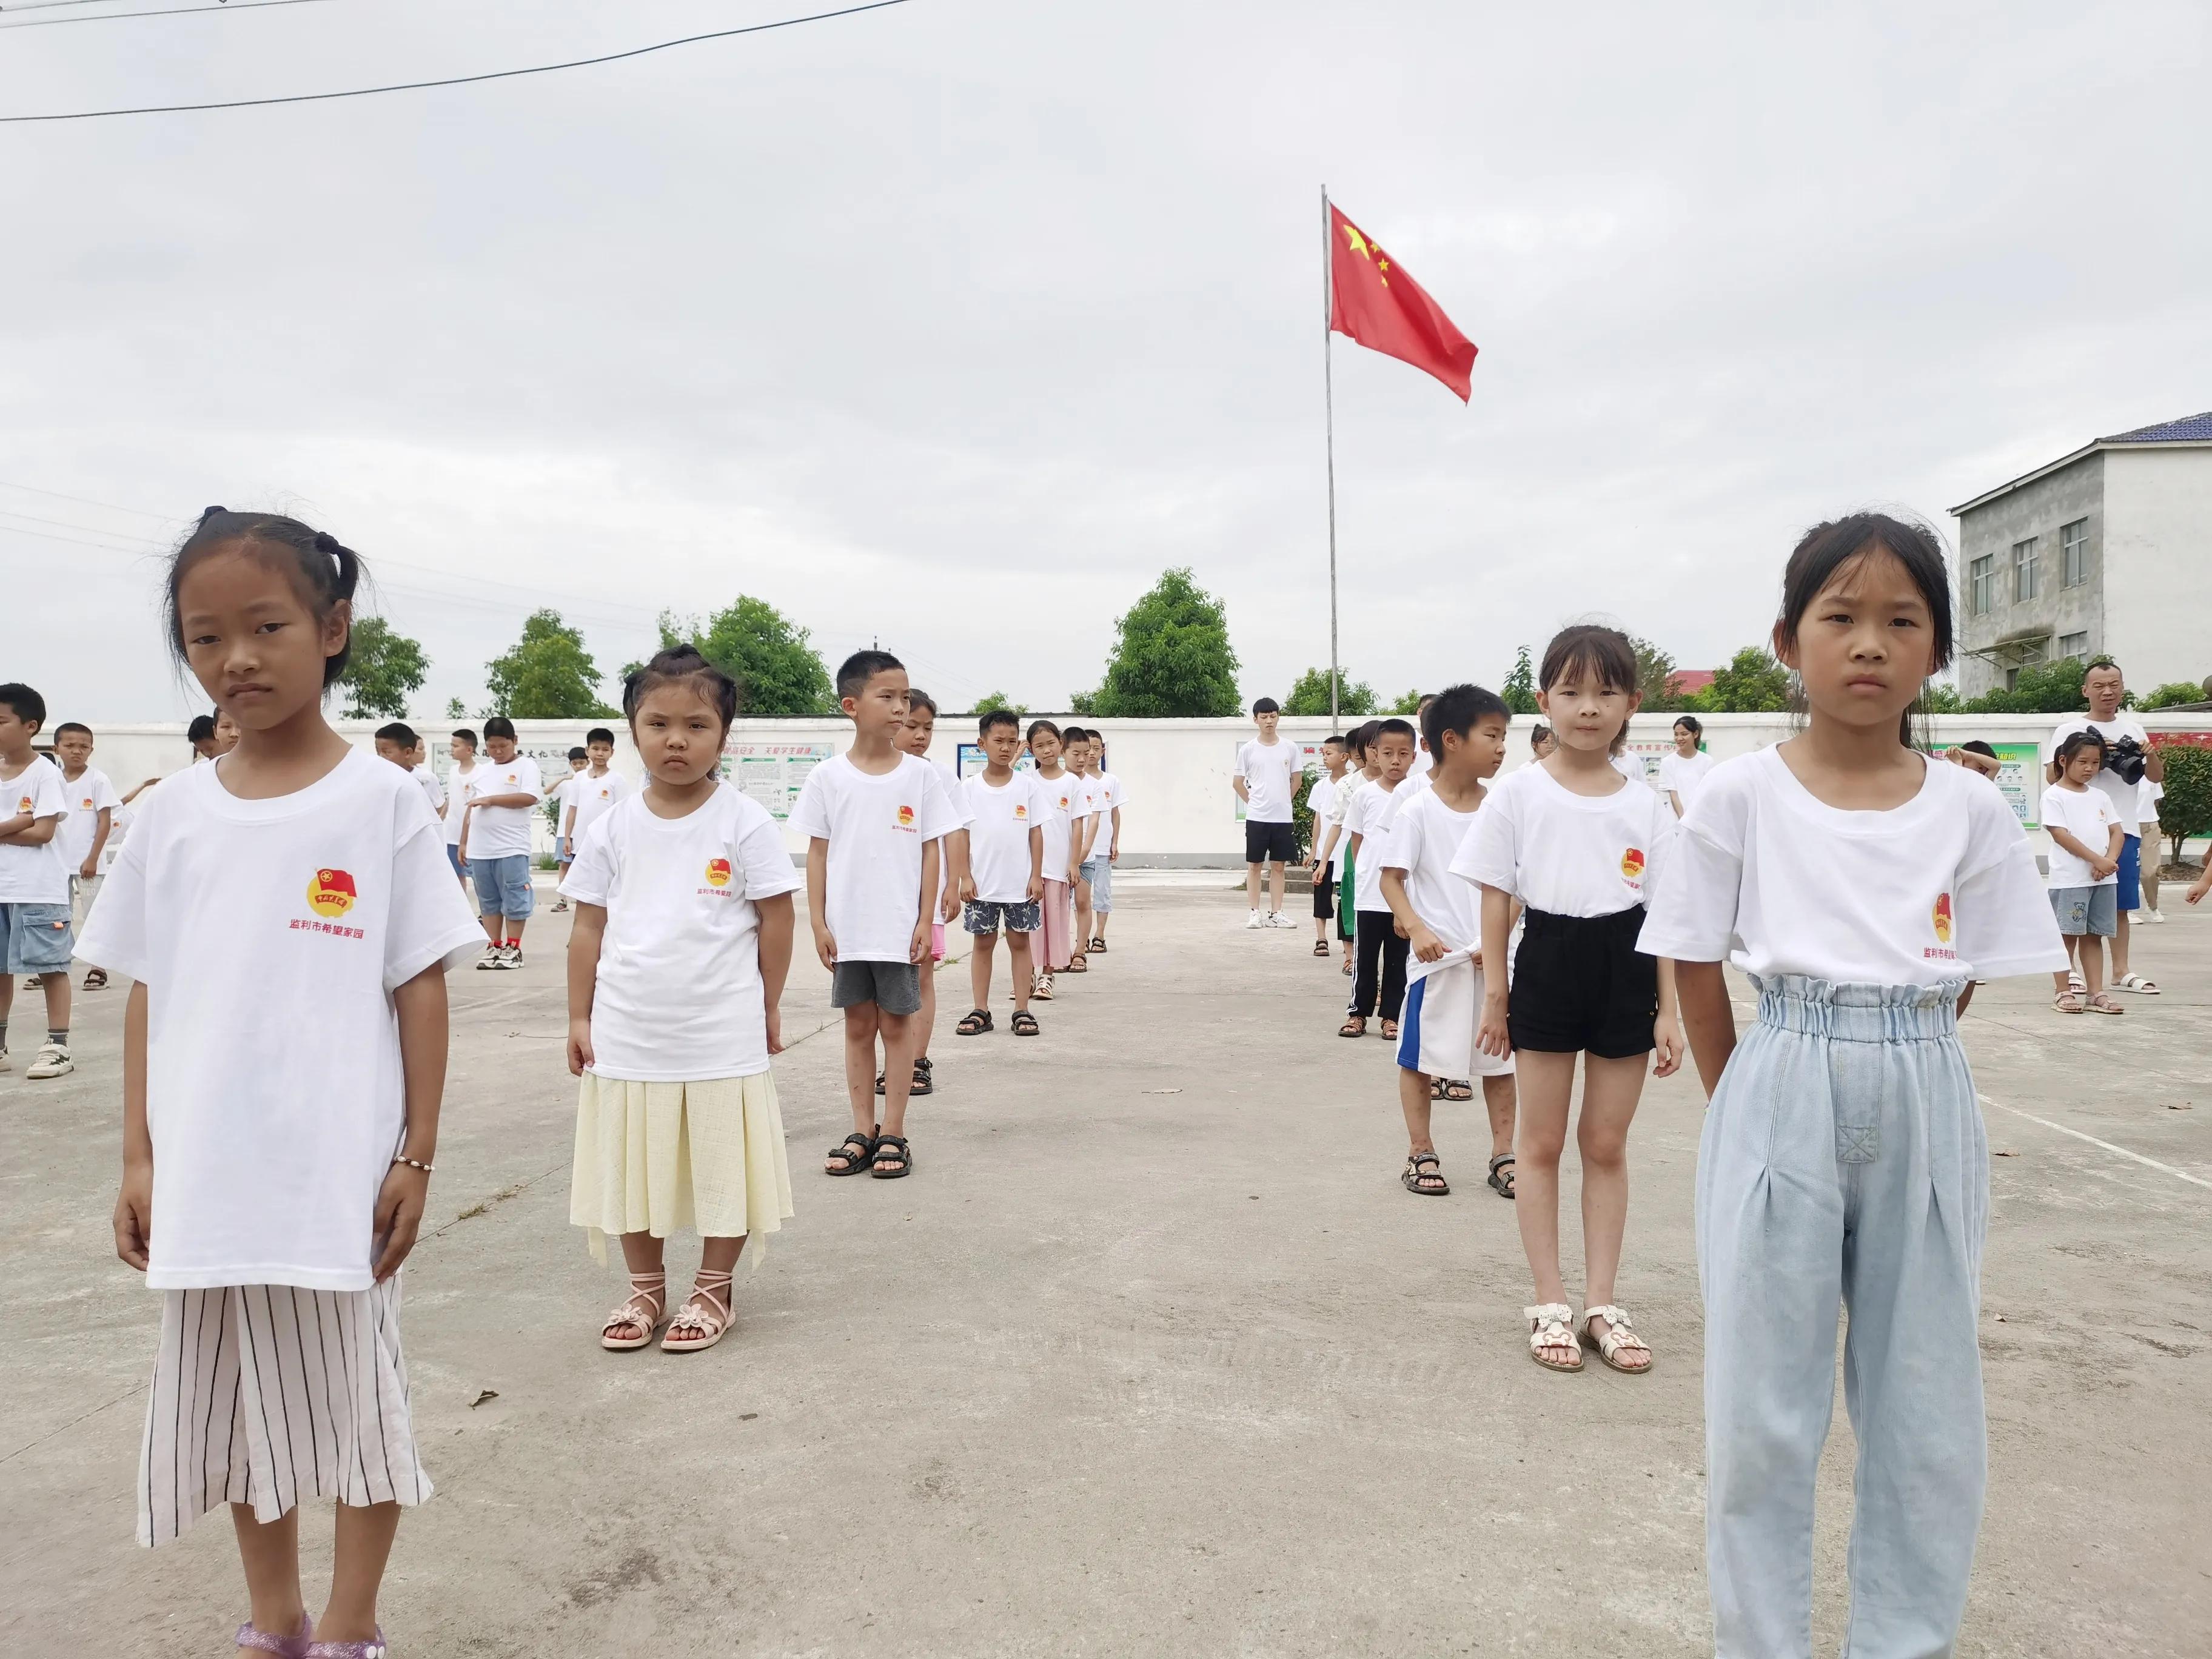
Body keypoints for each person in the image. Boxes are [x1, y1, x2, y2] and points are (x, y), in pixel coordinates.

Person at [1638, 512, 2065, 1658]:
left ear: (1933, 652)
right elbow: (1692, 949)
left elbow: (1968, 964)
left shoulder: (1969, 806)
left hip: (1924, 1078)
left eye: (1899, 621)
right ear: (1788, 640)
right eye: (1840, 618)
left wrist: (1902, 1032)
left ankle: (1901, 1639)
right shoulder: (1736, 797)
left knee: (1925, 1408)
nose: (1867, 644)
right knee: (1759, 1412)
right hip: (1780, 1067)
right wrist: (1747, 1091)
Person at [84, 506, 482, 1657]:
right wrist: (139, 1155)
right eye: (205, 637)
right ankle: (277, 1623)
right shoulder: (171, 816)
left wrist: (415, 1152)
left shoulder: (381, 801)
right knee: (240, 1411)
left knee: (357, 1408)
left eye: (266, 626)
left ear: (334, 627)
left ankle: (352, 1628)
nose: (237, 658)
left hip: (335, 1172)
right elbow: (149, 990)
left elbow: (419, 983)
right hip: (207, 1172)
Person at [1457, 623, 1683, 1378]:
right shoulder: (1518, 794)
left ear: (1632, 704)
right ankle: (1550, 1300)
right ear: (1544, 699)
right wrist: (1496, 994)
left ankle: (1603, 1304)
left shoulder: (1648, 806)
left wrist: (1669, 1010)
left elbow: (1667, 916)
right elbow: (1496, 900)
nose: (1589, 707)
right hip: (1547, 961)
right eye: (1572, 691)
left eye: (1606, 692)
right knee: (1541, 1145)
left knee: (1607, 1145)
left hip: (1627, 964)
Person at [562, 646, 799, 1355]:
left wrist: (768, 1005)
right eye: (658, 722)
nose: (676, 739)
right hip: (627, 1027)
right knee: (632, 1160)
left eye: (697, 725)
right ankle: (644, 1286)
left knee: (724, 1158)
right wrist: (578, 1015)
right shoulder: (611, 827)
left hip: (721, 1024)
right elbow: (586, 928)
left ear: (724, 735)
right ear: (632, 729)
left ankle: (713, 1287)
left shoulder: (746, 821)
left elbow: (777, 918)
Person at [791, 650, 957, 1182]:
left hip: (897, 930)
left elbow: (932, 850)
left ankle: (895, 1131)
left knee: (897, 1027)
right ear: (852, 705)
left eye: (905, 697)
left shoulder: (921, 777)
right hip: (849, 931)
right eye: (887, 696)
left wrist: (922, 919)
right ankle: (862, 1129)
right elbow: (817, 853)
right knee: (858, 1026)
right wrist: (817, 922)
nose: (899, 707)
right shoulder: (827, 778)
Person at [1380, 686, 1518, 1199]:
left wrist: (1496, 939)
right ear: (1452, 740)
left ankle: (1505, 1153)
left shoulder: (1503, 810)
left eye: (1505, 737)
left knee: (1500, 1063)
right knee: (1420, 1060)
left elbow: (1517, 886)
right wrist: (1417, 927)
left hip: (1494, 964)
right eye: (1492, 736)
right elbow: (1391, 878)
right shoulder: (1418, 809)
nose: (1502, 747)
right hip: (1437, 967)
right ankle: (1421, 1150)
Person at [2042, 659, 2164, 991]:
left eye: (2114, 685)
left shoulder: (2134, 728)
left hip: (2123, 831)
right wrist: (2095, 758)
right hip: (2080, 837)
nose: (2107, 692)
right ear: (2086, 691)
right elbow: (2052, 776)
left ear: (2123, 688)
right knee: (2073, 910)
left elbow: (2155, 777)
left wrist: (2149, 753)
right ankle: (2069, 974)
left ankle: (2121, 971)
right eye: (2099, 686)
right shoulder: (2068, 730)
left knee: (2120, 904)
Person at [880, 691, 968, 1101]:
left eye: (927, 728)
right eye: (912, 726)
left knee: (922, 975)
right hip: (884, 897)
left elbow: (954, 830)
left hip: (926, 896)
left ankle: (917, 1060)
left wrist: (955, 881)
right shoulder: (873, 775)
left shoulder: (939, 777)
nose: (919, 736)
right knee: (884, 981)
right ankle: (891, 1064)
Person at [955, 711, 1048, 1038]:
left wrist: (1036, 875)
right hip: (981, 885)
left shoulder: (1027, 787)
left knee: (1021, 944)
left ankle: (1022, 1009)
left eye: (1012, 741)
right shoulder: (968, 789)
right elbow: (961, 836)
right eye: (998, 741)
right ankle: (981, 1009)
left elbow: (1036, 834)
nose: (1006, 748)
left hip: (1019, 885)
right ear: (982, 744)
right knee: (983, 944)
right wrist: (964, 876)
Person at [0, 683, 75, 1078]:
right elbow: (29, 827)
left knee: (51, 966)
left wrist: (15, 826)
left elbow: (43, 833)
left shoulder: (45, 773)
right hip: (3, 888)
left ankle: (58, 1046)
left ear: (30, 726)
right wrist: (17, 823)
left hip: (38, 887)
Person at [1339, 718, 1417, 1040]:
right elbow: (1358, 841)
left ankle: (1391, 1017)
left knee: (1399, 961)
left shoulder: (1420, 794)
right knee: (1366, 958)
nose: (1395, 760)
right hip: (1371, 894)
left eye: (1403, 753)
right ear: (1375, 754)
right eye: (1388, 753)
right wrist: (1366, 875)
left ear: (1415, 755)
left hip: (1407, 898)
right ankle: (1358, 1014)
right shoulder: (1365, 795)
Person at [2042, 730, 2125, 1014]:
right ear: (2064, 760)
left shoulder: (2101, 796)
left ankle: (2096, 993)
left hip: (2104, 879)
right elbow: (2061, 835)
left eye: (2095, 762)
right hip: (2070, 881)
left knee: (2094, 936)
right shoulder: (2054, 796)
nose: (2090, 768)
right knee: (2066, 936)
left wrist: (2109, 860)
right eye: (2083, 762)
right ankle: (2062, 991)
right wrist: (2096, 860)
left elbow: (2116, 831)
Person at [457, 716, 542, 969]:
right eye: (492, 747)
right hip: (481, 849)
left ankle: (513, 947)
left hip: (511, 847)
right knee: (488, 900)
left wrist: (492, 800)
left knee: (514, 896)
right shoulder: (483, 771)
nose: (497, 752)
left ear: (515, 741)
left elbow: (529, 797)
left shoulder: (527, 766)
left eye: (503, 746)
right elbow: (470, 808)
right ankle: (494, 945)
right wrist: (464, 843)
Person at [50, 720, 122, 991]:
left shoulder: (98, 780)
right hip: (56, 863)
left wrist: (92, 858)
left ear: (92, 750)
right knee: (57, 916)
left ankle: (98, 966)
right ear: (57, 748)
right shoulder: (51, 779)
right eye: (69, 746)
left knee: (94, 915)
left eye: (84, 746)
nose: (76, 751)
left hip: (89, 863)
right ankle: (54, 964)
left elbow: (105, 822)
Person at [1234, 697, 1301, 929]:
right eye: (1264, 717)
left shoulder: (1290, 747)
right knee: (1254, 865)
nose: (1269, 721)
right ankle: (1255, 912)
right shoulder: (1248, 750)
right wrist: (1253, 802)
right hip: (1257, 818)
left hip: (1282, 818)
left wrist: (1284, 800)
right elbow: (1237, 782)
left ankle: (1277, 913)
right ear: (1256, 720)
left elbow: (1297, 779)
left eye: (1273, 716)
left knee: (1279, 866)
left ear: (1278, 717)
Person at [1026, 719, 1081, 999]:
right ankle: (1025, 976)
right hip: (1030, 869)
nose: (1046, 751)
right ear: (1030, 749)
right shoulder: (1026, 781)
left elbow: (1078, 825)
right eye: (1038, 745)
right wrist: (1015, 757)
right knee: (1027, 926)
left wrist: (1074, 863)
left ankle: (1047, 976)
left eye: (1050, 744)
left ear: (1061, 744)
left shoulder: (1072, 782)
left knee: (1054, 924)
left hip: (1058, 867)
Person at [1304, 734, 1350, 959]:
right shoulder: (1320, 787)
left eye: (1329, 753)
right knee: (1321, 897)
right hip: (1325, 853)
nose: (1324, 757)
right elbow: (1318, 820)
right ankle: (1321, 938)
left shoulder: (1353, 784)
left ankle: (1347, 940)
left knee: (1345, 898)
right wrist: (1314, 850)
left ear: (1344, 756)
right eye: (1323, 753)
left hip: (1345, 853)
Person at [1062, 727, 1099, 973]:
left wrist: (1082, 853)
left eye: (1086, 753)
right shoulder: (1053, 781)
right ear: (1063, 751)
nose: (1082, 759)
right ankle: (1059, 951)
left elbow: (1093, 820)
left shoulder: (1094, 785)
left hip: (1085, 857)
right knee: (1057, 908)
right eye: (1076, 753)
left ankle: (1079, 952)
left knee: (1083, 902)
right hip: (1056, 857)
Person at [1084, 731, 1125, 953]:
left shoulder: (1111, 781)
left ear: (1103, 751)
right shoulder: (1075, 781)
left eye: (1096, 748)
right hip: (1079, 850)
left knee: (1102, 892)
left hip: (1101, 849)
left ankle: (1099, 935)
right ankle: (1079, 938)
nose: (1091, 753)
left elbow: (1115, 813)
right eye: (1087, 748)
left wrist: (1114, 842)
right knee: (1078, 898)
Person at [545, 745, 588, 910]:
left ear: (587, 762)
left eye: (581, 763)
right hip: (565, 832)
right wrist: (563, 779)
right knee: (564, 865)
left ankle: (582, 898)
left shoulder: (590, 781)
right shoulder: (567, 784)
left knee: (584, 866)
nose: (578, 766)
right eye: (575, 763)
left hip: (583, 832)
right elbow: (547, 791)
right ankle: (562, 900)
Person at [442, 728, 480, 889]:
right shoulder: (452, 771)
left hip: (472, 836)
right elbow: (450, 799)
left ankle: (484, 913)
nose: (452, 750)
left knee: (478, 876)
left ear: (469, 750)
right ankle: (462, 912)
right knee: (456, 876)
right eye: (451, 745)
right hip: (452, 834)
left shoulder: (480, 772)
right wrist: (440, 819)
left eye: (455, 746)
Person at [1656, 714, 1714, 817]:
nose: (1679, 738)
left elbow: (1708, 792)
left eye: (1684, 734)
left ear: (1695, 734)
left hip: (1700, 818)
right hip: (1677, 820)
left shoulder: (1707, 761)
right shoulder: (1668, 762)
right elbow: (1673, 794)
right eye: (1676, 734)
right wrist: (1683, 818)